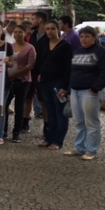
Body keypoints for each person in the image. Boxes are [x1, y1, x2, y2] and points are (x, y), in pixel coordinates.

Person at [65, 26, 105, 160]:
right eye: (81, 36)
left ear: (94, 38)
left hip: (89, 92)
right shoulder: (78, 52)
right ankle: (79, 147)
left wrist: (95, 88)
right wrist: (69, 89)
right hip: (75, 90)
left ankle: (91, 150)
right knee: (79, 121)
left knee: (91, 122)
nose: (83, 39)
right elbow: (72, 72)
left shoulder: (101, 52)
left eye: (87, 36)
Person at [38, 20, 73, 150]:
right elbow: (40, 60)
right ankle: (49, 138)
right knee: (50, 111)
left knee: (60, 112)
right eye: (47, 29)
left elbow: (68, 67)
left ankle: (58, 141)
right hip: (45, 82)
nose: (50, 31)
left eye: (53, 28)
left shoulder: (65, 46)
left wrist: (65, 87)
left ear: (58, 30)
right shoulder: (44, 44)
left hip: (59, 83)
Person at [4, 24, 35, 143]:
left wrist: (15, 75)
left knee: (19, 107)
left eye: (20, 32)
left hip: (23, 81)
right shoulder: (10, 46)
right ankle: (4, 130)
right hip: (9, 81)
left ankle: (16, 132)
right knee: (5, 105)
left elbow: (30, 65)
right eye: (15, 32)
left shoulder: (30, 48)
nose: (17, 34)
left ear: (24, 33)